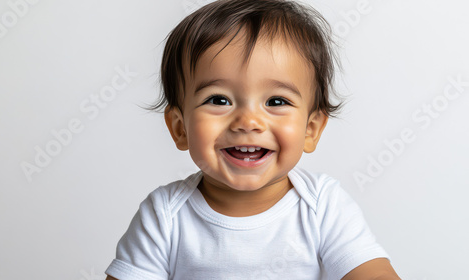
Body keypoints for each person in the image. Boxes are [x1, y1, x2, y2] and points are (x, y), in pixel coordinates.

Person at [105, 0, 401, 279]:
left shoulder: (323, 206)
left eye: (275, 101)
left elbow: (373, 272)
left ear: (311, 130)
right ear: (180, 129)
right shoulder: (165, 215)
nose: (248, 122)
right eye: (219, 100)